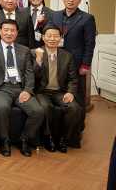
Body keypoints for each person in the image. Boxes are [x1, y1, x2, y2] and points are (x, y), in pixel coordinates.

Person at [0, 20, 44, 157]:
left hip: (20, 88)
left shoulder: (24, 49)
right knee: (2, 108)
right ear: (0, 31)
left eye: (12, 30)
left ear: (17, 33)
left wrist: (27, 90)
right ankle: (5, 140)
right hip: (1, 88)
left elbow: (29, 72)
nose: (9, 33)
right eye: (6, 30)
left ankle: (24, 139)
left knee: (38, 111)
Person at [46, 0, 96, 134]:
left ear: (79, 1)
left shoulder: (87, 18)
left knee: (78, 95)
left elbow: (89, 43)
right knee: (61, 93)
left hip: (77, 62)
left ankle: (78, 128)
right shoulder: (54, 15)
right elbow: (48, 33)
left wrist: (86, 64)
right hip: (55, 60)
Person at [31, 25, 81, 153]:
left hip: (60, 91)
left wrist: (70, 92)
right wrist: (39, 59)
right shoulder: (34, 52)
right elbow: (33, 76)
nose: (52, 39)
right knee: (46, 107)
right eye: (49, 36)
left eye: (55, 36)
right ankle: (49, 138)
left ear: (60, 38)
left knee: (74, 108)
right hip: (42, 91)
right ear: (43, 37)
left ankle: (63, 138)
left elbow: (72, 79)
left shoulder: (67, 55)